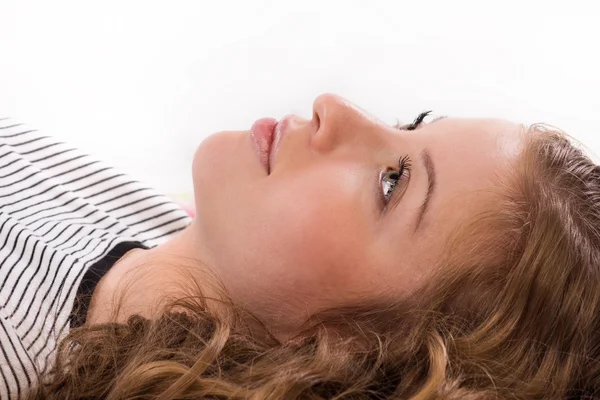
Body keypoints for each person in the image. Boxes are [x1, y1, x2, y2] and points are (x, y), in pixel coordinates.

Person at [1, 94, 599, 399]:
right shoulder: (163, 235)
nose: (334, 107)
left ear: (353, 359)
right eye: (411, 124)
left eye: (392, 182)